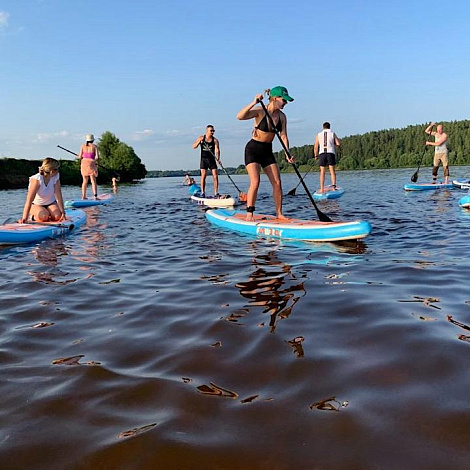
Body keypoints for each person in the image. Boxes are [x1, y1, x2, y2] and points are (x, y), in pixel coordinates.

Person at [236, 86, 294, 221]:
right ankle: (249, 213)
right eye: (283, 100)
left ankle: (279, 213)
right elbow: (240, 116)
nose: (285, 103)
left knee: (277, 183)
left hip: (267, 150)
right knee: (255, 181)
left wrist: (287, 153)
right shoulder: (261, 111)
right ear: (274, 98)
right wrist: (253, 102)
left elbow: (284, 136)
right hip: (253, 149)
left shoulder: (282, 117)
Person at [19, 157, 66, 223]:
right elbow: (29, 200)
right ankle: (32, 217)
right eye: (57, 169)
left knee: (57, 217)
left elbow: (58, 196)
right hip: (36, 205)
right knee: (44, 217)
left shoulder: (56, 176)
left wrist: (63, 212)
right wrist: (24, 218)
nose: (58, 170)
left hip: (51, 203)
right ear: (52, 171)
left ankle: (49, 213)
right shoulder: (37, 180)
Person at [192, 125, 221, 197]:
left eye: (213, 131)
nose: (212, 132)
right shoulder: (201, 138)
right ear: (207, 131)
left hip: (212, 160)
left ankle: (216, 193)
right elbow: (194, 147)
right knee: (203, 176)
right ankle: (202, 192)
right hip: (204, 160)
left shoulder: (215, 140)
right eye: (211, 131)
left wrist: (218, 158)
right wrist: (199, 142)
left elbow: (217, 150)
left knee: (215, 176)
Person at [314, 122, 341, 193]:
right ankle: (334, 187)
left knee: (322, 172)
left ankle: (322, 188)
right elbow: (338, 143)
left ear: (323, 127)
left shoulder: (318, 135)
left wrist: (316, 155)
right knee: (332, 171)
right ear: (329, 127)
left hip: (322, 154)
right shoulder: (332, 133)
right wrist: (333, 142)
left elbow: (316, 147)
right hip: (330, 153)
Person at [78, 134, 100, 199]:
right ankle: (95, 196)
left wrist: (81, 156)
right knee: (93, 180)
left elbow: (79, 157)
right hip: (91, 163)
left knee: (84, 181)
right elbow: (97, 157)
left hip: (84, 163)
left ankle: (83, 196)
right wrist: (94, 160)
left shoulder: (82, 146)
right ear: (92, 140)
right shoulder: (95, 146)